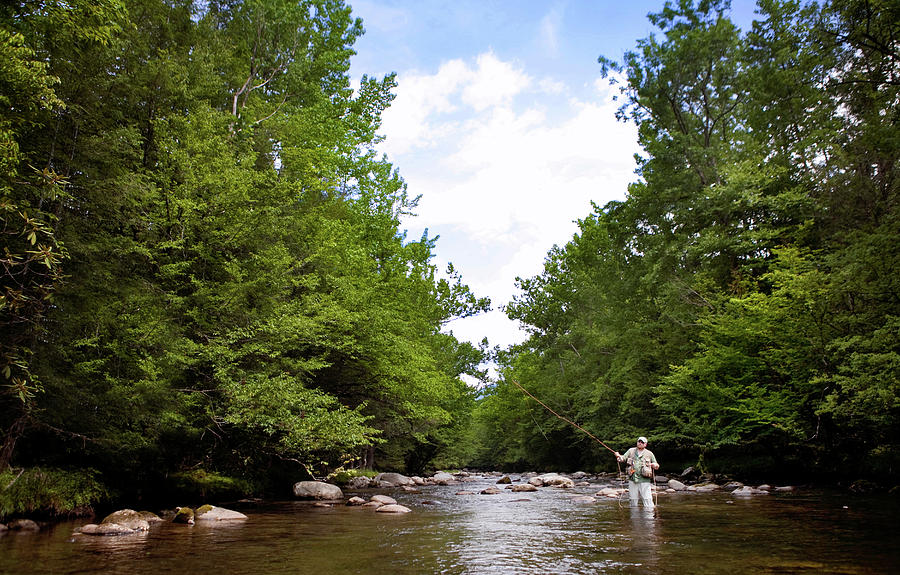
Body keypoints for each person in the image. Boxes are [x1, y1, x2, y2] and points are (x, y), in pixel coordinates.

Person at [615, 436, 659, 508]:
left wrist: (655, 465)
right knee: (633, 500)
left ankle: (649, 517)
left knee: (647, 500)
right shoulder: (631, 451)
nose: (640, 443)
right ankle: (635, 517)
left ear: (645, 444)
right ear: (637, 442)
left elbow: (657, 465)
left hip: (644, 480)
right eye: (639, 441)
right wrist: (618, 456)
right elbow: (622, 459)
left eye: (642, 442)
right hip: (633, 479)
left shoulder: (649, 453)